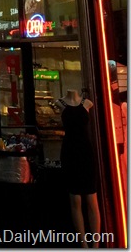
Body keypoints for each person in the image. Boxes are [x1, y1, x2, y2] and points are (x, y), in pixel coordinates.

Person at [53, 89, 101, 247]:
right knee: (75, 199)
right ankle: (84, 245)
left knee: (91, 198)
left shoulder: (87, 103)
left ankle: (95, 245)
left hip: (86, 152)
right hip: (70, 152)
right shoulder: (60, 103)